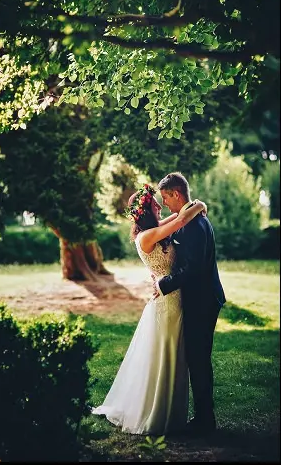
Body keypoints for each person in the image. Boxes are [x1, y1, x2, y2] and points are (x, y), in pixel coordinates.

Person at [93, 184, 209, 435]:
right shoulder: (145, 237)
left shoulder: (153, 230)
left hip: (175, 296)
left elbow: (179, 217)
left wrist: (196, 206)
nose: (160, 205)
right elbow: (180, 221)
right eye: (156, 204)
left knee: (175, 356)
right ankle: (157, 413)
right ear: (146, 211)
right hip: (166, 301)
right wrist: (199, 205)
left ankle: (173, 412)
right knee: (165, 355)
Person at [152, 172, 226, 434]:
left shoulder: (194, 224)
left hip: (203, 300)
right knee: (197, 358)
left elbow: (193, 268)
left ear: (176, 194)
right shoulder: (191, 217)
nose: (165, 204)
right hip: (202, 297)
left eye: (166, 198)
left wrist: (163, 284)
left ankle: (205, 421)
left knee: (198, 359)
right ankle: (204, 417)